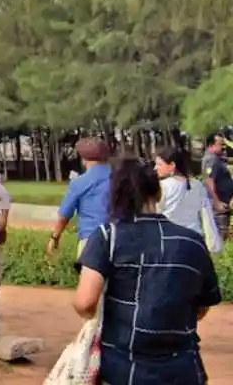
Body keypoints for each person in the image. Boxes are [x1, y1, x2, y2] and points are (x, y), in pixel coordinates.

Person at [74, 156, 220, 385]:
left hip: (123, 367)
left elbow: (84, 302)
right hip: (182, 369)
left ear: (115, 195)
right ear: (158, 193)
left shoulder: (107, 237)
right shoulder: (193, 242)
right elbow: (203, 306)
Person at [49, 137, 114, 260]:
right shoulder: (121, 179)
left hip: (91, 239)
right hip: (121, 239)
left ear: (84, 160)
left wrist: (55, 237)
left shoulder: (80, 182)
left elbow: (64, 215)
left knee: (88, 278)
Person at [156, 145, 223, 251]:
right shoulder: (197, 185)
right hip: (194, 240)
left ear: (172, 165)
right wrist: (213, 244)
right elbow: (207, 216)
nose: (155, 168)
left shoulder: (162, 187)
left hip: (171, 242)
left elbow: (156, 215)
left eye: (159, 164)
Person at [205, 136, 232, 238]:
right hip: (219, 205)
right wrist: (217, 202)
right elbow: (209, 180)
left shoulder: (217, 158)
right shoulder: (210, 160)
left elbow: (227, 160)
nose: (223, 147)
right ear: (211, 145)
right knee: (221, 235)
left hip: (225, 202)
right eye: (220, 144)